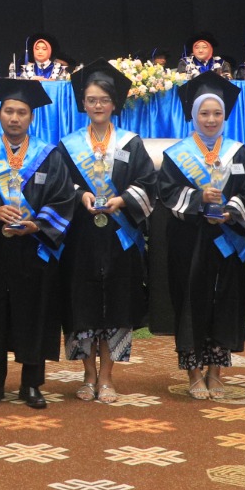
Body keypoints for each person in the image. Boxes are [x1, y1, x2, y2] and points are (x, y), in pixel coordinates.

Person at [0, 78, 76, 408]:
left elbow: (62, 198)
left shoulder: (49, 156)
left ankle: (32, 383)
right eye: (9, 111)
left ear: (31, 117)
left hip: (35, 248)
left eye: (22, 112)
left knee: (36, 310)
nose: (14, 118)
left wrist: (38, 224)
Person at [57, 60, 157, 403]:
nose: (97, 105)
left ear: (114, 104)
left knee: (117, 302)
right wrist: (78, 194)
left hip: (120, 235)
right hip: (81, 236)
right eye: (91, 100)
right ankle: (87, 375)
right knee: (81, 303)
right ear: (82, 104)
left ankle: (108, 378)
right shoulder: (68, 145)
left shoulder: (131, 144)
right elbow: (58, 187)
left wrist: (122, 199)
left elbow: (148, 185)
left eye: (103, 100)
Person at [157, 73, 245, 400]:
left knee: (224, 300)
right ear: (194, 115)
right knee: (189, 300)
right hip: (189, 238)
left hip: (227, 237)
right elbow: (167, 192)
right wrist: (199, 197)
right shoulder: (177, 154)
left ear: (224, 115)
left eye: (216, 113)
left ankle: (216, 371)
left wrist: (231, 209)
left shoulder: (238, 152)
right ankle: (193, 373)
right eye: (204, 113)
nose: (211, 119)